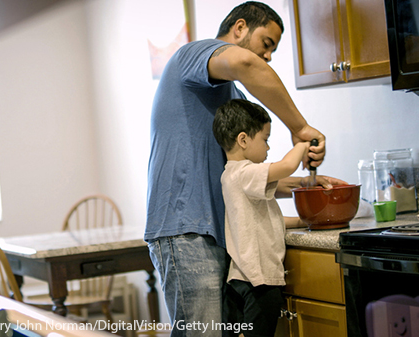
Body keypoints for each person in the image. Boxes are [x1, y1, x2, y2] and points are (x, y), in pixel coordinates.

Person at [145, 2, 344, 336]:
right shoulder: (192, 56)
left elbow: (241, 179)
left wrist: (302, 186)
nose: (267, 57)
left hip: (217, 235)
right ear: (239, 28)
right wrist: (300, 128)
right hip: (187, 231)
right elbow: (246, 62)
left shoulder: (229, 95)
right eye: (267, 43)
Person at [213, 99, 310, 336]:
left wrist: (302, 222)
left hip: (239, 278)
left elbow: (260, 223)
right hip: (259, 282)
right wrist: (303, 142)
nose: (267, 149)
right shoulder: (244, 172)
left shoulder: (232, 176)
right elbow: (287, 166)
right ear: (243, 139)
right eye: (265, 140)